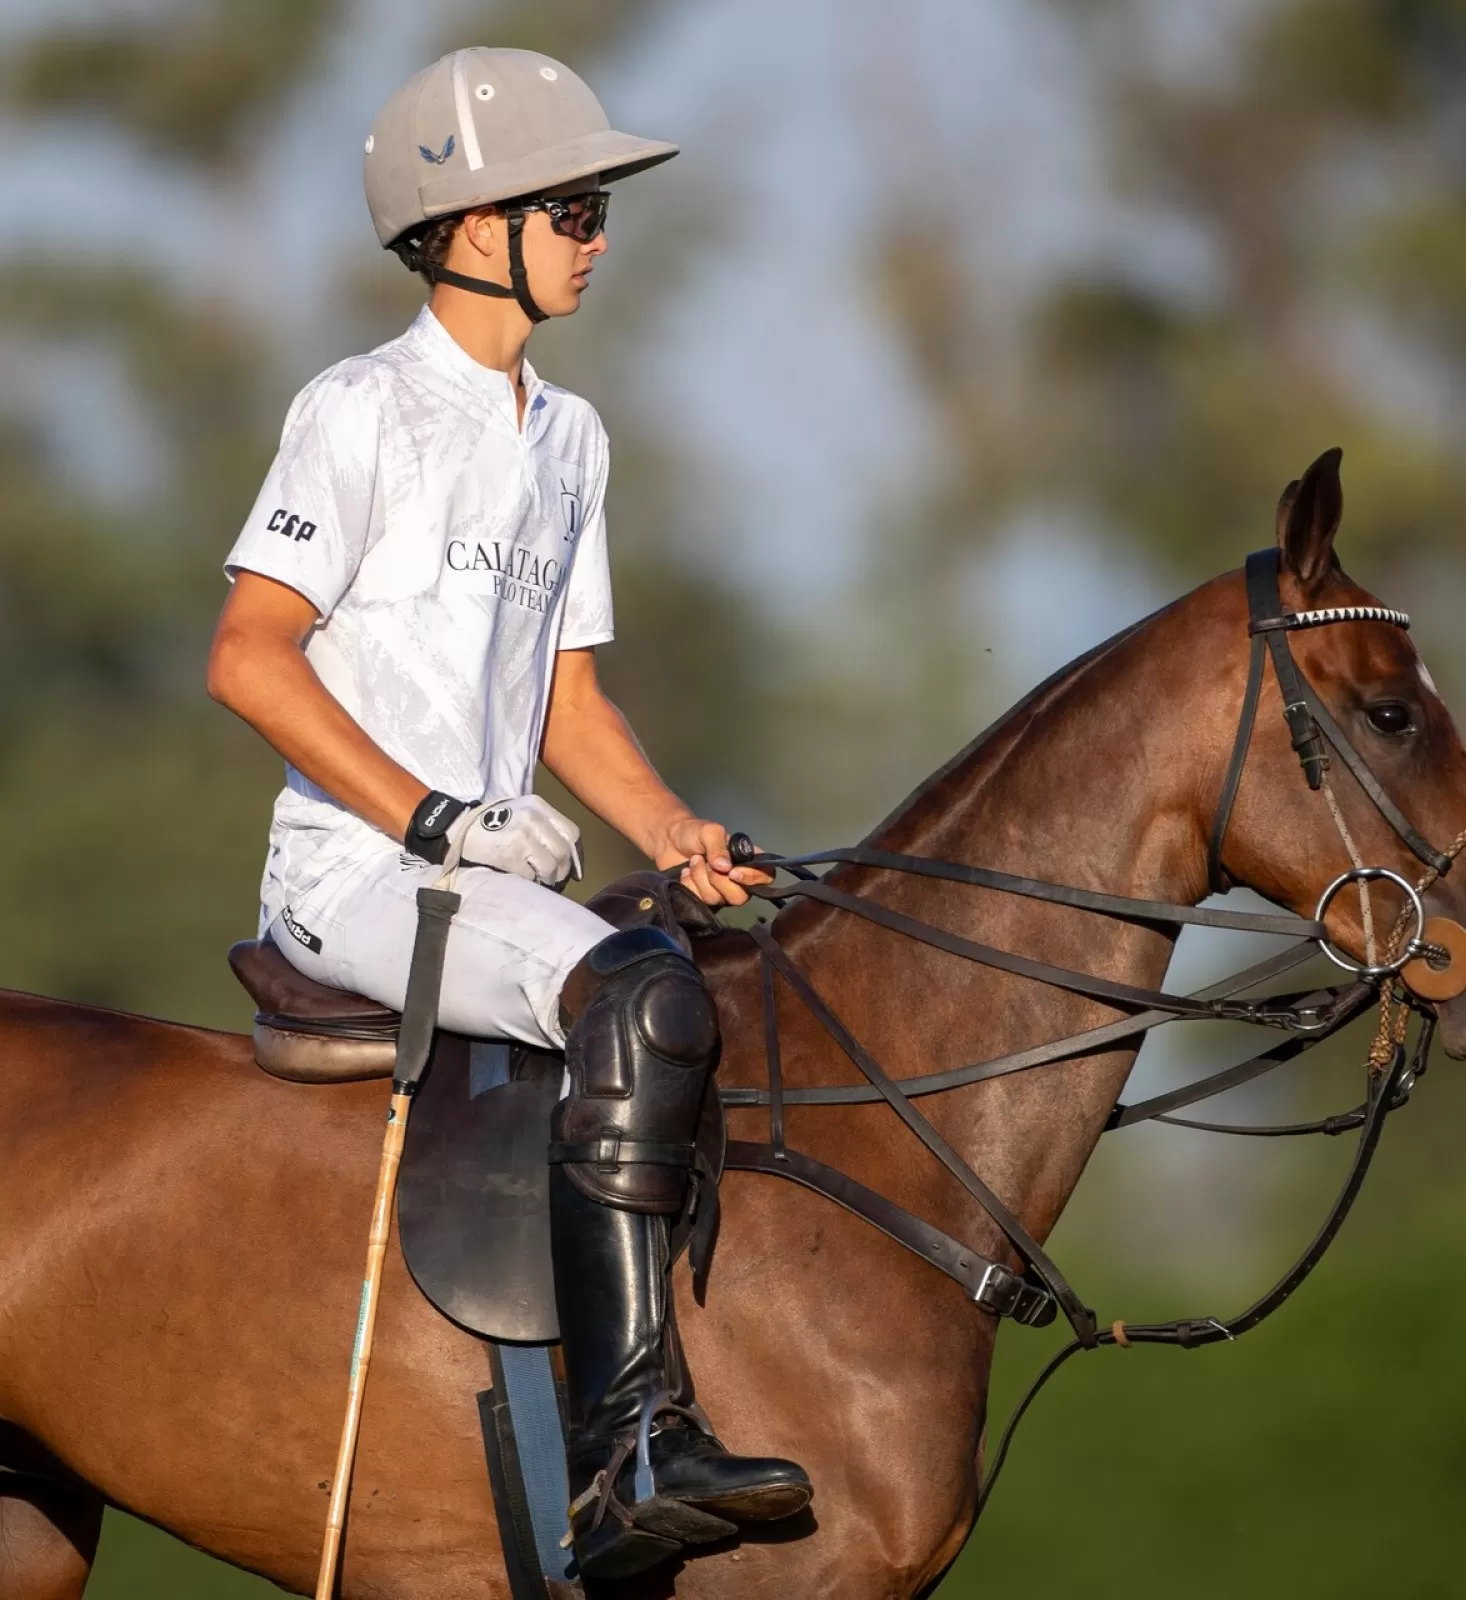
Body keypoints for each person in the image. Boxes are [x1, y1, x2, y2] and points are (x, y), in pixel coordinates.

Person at [207, 46, 811, 1580]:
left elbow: (567, 705)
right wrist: (435, 821)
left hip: (478, 881)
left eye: (601, 211)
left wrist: (675, 833)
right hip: (358, 877)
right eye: (576, 210)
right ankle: (630, 1452)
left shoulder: (573, 437)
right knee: (644, 999)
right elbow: (249, 657)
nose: (600, 238)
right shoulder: (359, 408)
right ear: (476, 228)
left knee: (698, 971)